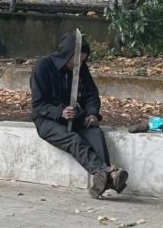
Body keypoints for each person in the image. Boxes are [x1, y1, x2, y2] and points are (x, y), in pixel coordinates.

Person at [30, 33, 128, 198]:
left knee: (95, 133)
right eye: (75, 61)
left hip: (75, 115)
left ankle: (103, 180)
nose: (79, 65)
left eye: (82, 61)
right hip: (47, 120)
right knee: (74, 140)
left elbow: (91, 95)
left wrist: (92, 114)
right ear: (66, 56)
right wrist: (59, 113)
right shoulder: (42, 67)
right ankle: (106, 173)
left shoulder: (81, 68)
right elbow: (38, 105)